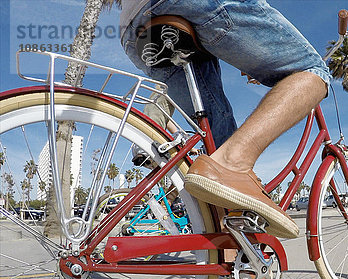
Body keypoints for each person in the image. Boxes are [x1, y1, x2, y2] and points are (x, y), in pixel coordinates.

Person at [119, 0, 330, 240]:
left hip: (132, 26)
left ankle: (232, 253)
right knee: (314, 73)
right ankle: (234, 162)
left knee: (219, 139)